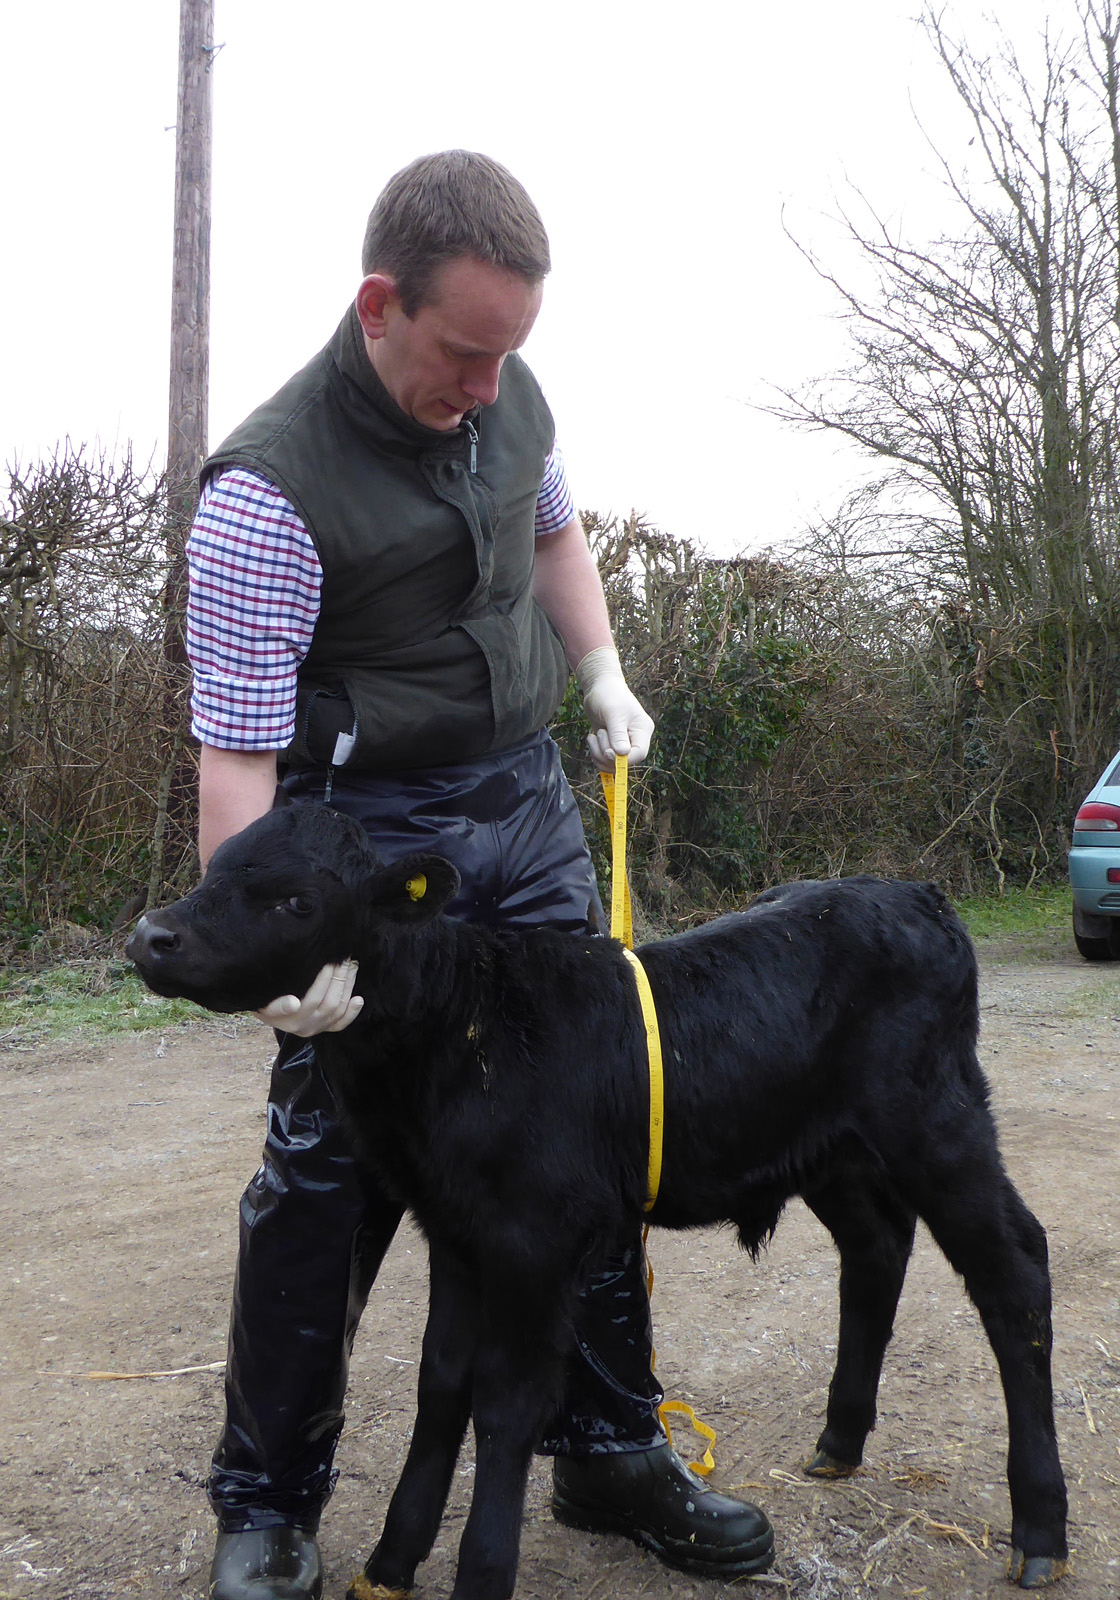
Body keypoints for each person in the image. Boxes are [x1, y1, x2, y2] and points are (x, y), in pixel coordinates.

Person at [186, 150, 774, 1600]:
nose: (489, 386)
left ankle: (611, 1446)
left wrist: (602, 669)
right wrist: (273, 969)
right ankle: (266, 1504)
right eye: (463, 352)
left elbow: (554, 525)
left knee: (595, 1124)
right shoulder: (267, 494)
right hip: (373, 841)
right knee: (328, 1169)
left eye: (512, 351)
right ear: (380, 305)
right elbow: (241, 761)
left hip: (524, 807)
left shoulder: (509, 392)